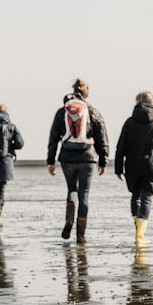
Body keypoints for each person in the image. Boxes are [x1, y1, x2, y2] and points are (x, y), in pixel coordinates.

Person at [47, 78, 109, 244]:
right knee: (85, 194)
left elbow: (53, 137)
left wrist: (50, 160)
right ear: (86, 94)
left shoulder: (62, 112)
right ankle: (80, 235)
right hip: (87, 158)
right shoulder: (92, 111)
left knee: (71, 189)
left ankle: (69, 220)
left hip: (67, 157)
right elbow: (102, 136)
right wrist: (103, 160)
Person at [114, 91, 153, 246]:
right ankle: (140, 235)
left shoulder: (129, 122)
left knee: (135, 197)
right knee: (147, 198)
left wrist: (118, 168)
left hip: (132, 165)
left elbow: (121, 146)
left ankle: (138, 232)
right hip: (152, 166)